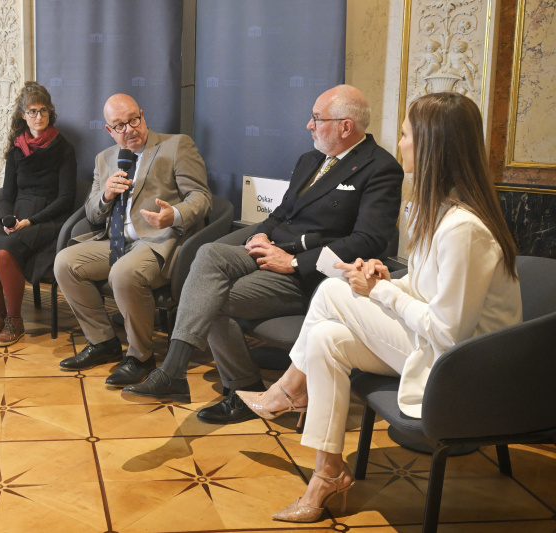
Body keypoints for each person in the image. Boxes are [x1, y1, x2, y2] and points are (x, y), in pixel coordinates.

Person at [237, 92, 522, 523]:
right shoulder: (438, 211)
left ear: (432, 145)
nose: (401, 143)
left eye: (406, 135)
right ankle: (327, 470)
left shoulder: (464, 228)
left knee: (333, 292)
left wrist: (379, 294)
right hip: (439, 347)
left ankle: (290, 389)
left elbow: (449, 332)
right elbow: (428, 288)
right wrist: (389, 280)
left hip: (466, 367)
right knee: (326, 337)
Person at [123, 85, 404, 416]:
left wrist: (295, 260)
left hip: (312, 275)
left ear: (346, 126)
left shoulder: (380, 168)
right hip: (272, 251)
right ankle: (174, 369)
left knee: (212, 301)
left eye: (317, 118)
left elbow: (369, 240)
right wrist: (261, 236)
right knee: (210, 254)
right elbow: (281, 214)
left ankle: (243, 386)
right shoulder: (310, 160)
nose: (309, 126)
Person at [54, 93, 211, 386]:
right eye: (120, 126)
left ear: (142, 114)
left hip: (157, 240)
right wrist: (106, 195)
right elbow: (92, 213)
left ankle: (140, 356)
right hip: (114, 240)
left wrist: (174, 214)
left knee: (123, 272)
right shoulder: (105, 158)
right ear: (109, 130)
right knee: (64, 262)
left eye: (134, 120)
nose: (130, 130)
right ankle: (102, 342)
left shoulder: (176, 145)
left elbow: (201, 197)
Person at [0, 82, 76, 346]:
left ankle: (16, 321)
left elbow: (66, 199)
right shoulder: (17, 150)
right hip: (17, 214)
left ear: (50, 113)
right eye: (33, 111)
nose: (39, 117)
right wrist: (7, 218)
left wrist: (30, 220)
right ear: (23, 115)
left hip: (48, 217)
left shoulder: (64, 148)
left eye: (44, 111)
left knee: (5, 251)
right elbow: (7, 195)